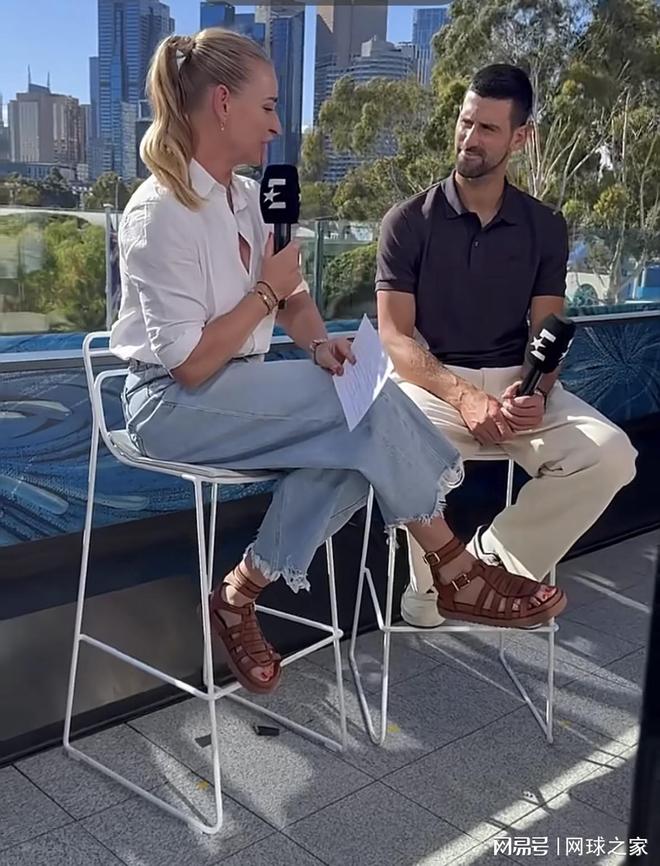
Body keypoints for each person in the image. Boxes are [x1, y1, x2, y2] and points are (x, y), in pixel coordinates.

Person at [110, 33, 566, 695]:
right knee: (364, 409)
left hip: (235, 386)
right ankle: (454, 566)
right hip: (170, 404)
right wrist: (265, 291)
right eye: (268, 107)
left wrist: (320, 344)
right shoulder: (159, 213)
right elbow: (189, 364)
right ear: (223, 104)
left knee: (358, 430)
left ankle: (238, 593)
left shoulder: (251, 198)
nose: (276, 126)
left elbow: (292, 296)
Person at [376, 64, 637, 629]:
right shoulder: (407, 222)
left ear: (521, 138)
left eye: (488, 129)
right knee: (391, 440)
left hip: (516, 387)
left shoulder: (545, 225)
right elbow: (395, 336)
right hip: (433, 386)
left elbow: (547, 327)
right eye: (466, 122)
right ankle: (433, 587)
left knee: (612, 454)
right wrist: (464, 396)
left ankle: (487, 564)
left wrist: (536, 391)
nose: (469, 138)